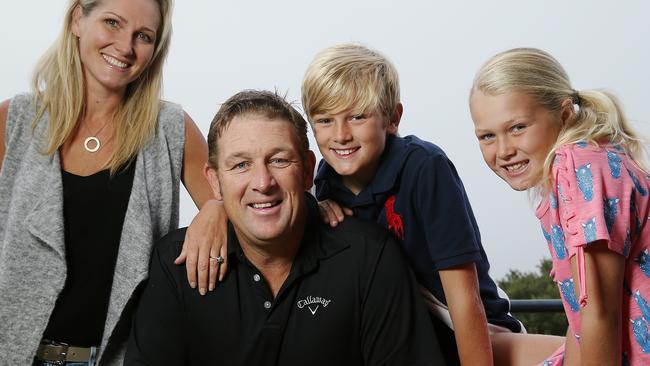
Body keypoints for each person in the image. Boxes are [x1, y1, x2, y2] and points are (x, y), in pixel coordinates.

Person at [124, 90, 444, 366]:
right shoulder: (175, 265)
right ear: (214, 181)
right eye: (240, 165)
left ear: (307, 171)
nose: (263, 183)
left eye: (279, 160)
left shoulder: (370, 258)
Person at [0, 0, 221, 364]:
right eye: (112, 23)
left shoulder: (170, 128)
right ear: (77, 19)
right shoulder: (16, 120)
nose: (125, 47)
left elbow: (250, 207)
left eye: (144, 36)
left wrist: (217, 207)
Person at [302, 43, 524, 366]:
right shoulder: (324, 181)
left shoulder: (424, 168)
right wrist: (315, 207)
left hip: (474, 329)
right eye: (324, 120)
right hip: (399, 339)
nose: (341, 135)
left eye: (357, 116)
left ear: (392, 118)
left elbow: (463, 298)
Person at [470, 47, 650, 365]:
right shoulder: (585, 161)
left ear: (565, 114)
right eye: (486, 136)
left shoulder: (579, 168)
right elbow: (582, 317)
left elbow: (600, 313)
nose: (503, 150)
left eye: (517, 128)